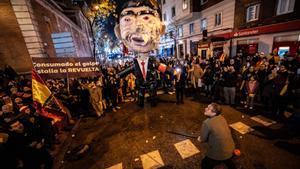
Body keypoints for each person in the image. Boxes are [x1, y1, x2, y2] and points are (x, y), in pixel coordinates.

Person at [114, 0, 166, 107]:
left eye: (146, 17)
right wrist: (119, 75)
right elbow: (130, 70)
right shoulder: (135, 62)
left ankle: (153, 102)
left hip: (151, 82)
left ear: (161, 29)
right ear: (119, 31)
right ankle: (141, 103)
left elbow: (160, 67)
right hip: (141, 84)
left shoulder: (152, 61)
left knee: (152, 94)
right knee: (141, 94)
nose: (138, 26)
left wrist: (171, 71)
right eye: (127, 19)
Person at [198, 103, 236, 169]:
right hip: (231, 149)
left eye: (208, 109)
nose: (205, 109)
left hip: (219, 151)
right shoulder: (222, 117)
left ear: (214, 113)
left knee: (205, 164)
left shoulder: (206, 123)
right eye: (207, 107)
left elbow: (203, 139)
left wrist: (200, 139)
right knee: (228, 161)